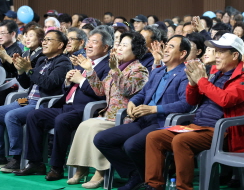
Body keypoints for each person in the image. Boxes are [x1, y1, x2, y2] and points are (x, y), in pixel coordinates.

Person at [145, 33, 244, 190]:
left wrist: (201, 81)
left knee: (180, 141)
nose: (216, 56)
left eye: (221, 52)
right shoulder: (215, 74)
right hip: (197, 126)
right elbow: (193, 101)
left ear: (235, 55)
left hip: (221, 132)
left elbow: (225, 99)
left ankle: (183, 187)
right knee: (154, 137)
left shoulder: (241, 78)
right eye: (215, 51)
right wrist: (192, 85)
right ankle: (153, 185)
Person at [94, 35, 192, 190]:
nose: (166, 49)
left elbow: (185, 104)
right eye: (166, 45)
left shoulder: (185, 74)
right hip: (143, 119)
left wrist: (154, 109)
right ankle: (136, 174)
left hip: (163, 122)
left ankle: (145, 178)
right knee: (102, 139)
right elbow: (143, 93)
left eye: (171, 47)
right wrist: (133, 103)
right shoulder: (158, 72)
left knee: (131, 145)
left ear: (182, 54)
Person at [13, 29, 111, 180]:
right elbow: (68, 87)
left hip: (85, 109)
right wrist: (67, 81)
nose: (89, 45)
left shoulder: (108, 66)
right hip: (66, 106)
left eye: (94, 42)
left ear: (105, 47)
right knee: (34, 115)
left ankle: (56, 167)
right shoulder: (83, 62)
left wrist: (82, 81)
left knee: (61, 121)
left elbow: (103, 92)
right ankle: (35, 163)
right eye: (89, 41)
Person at [0, 30, 72, 172]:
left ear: (60, 45)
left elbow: (50, 84)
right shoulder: (41, 60)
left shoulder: (63, 63)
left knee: (12, 116)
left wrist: (30, 70)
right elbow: (27, 84)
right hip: (28, 100)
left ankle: (17, 158)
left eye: (49, 40)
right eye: (44, 39)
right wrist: (21, 71)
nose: (44, 42)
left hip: (42, 104)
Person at [66, 32, 149, 189]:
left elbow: (126, 90)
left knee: (94, 127)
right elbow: (100, 92)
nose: (119, 48)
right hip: (108, 116)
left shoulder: (140, 70)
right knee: (85, 125)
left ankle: (101, 172)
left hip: (124, 119)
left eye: (124, 45)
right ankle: (81, 168)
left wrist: (115, 70)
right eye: (119, 44)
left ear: (135, 50)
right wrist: (90, 70)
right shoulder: (115, 67)